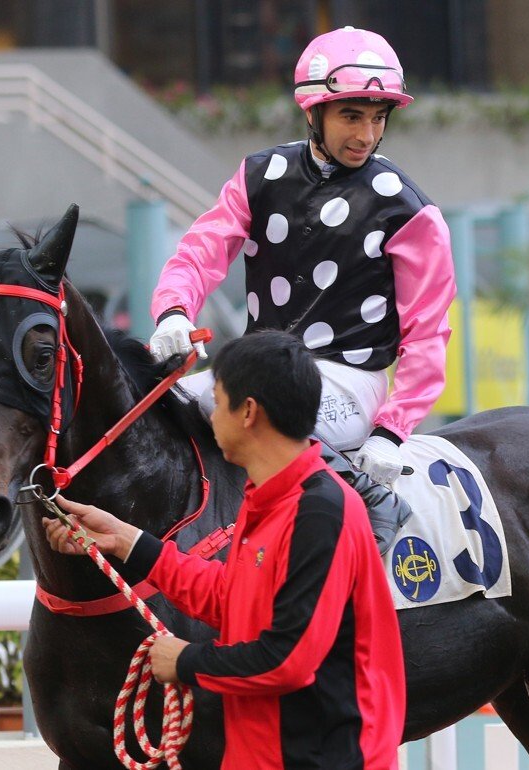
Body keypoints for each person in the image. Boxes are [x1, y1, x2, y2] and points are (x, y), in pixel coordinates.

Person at [148, 25, 455, 552]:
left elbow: (427, 335)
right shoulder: (259, 176)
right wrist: (174, 310)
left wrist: (391, 429)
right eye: (351, 116)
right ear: (313, 112)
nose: (367, 135)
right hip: (258, 372)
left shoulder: (409, 210)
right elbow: (200, 252)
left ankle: (368, 499)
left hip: (350, 382)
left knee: (265, 409)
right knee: (160, 407)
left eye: (378, 118)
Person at [44, 331, 405, 770]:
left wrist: (185, 660)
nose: (209, 417)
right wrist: (126, 541)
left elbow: (287, 660)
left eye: (216, 401)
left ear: (248, 412)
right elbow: (231, 598)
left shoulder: (320, 512)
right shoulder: (268, 499)